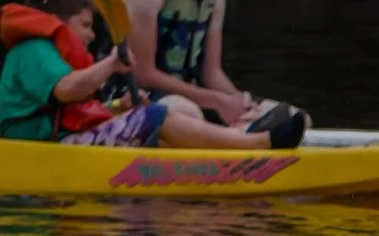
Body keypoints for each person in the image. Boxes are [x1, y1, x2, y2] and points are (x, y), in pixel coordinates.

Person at [0, 0, 301, 150]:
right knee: (157, 115)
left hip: (63, 140)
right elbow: (65, 91)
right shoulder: (34, 48)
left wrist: (118, 107)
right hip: (42, 147)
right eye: (86, 26)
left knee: (165, 110)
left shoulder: (54, 50)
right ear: (56, 20)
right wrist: (111, 64)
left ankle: (218, 155)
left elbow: (71, 107)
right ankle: (252, 146)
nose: (90, 36)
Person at [122, 0, 299, 135]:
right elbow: (142, 74)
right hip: (134, 96)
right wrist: (217, 102)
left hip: (193, 96)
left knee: (294, 117)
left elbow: (211, 74)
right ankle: (242, 141)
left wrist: (241, 103)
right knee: (188, 112)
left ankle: (238, 136)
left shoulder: (215, 2)